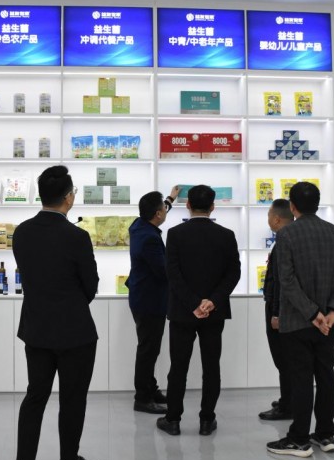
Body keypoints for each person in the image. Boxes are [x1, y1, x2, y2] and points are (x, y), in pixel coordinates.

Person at [11, 165, 105, 460]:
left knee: (35, 397)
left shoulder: (22, 232)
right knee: (73, 398)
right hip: (75, 331)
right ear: (68, 198)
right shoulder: (77, 237)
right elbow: (90, 286)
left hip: (36, 328)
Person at [266, 181, 334, 458]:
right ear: (317, 204)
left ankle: (299, 438)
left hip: (297, 321)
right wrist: (332, 312)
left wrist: (312, 314)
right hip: (328, 323)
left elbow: (287, 281)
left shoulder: (286, 235)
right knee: (326, 375)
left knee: (301, 377)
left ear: (292, 206)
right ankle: (325, 434)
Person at [156, 184, 241, 437]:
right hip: (214, 313)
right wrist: (211, 301)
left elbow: (173, 274)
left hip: (183, 312)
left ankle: (173, 419)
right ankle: (206, 420)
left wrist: (193, 303)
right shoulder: (226, 235)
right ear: (212, 207)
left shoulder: (175, 234)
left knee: (178, 367)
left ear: (188, 205)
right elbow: (233, 273)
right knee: (211, 367)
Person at [126, 186, 179, 415]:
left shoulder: (139, 225)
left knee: (149, 348)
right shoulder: (149, 239)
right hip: (150, 300)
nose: (165, 211)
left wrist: (170, 199)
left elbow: (160, 209)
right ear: (157, 214)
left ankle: (150, 387)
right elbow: (162, 271)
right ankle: (142, 397)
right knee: (148, 350)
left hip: (141, 296)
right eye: (163, 209)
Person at [258, 198, 294, 421]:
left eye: (269, 215)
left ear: (278, 219)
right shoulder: (290, 239)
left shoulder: (284, 242)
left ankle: (288, 405)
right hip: (285, 309)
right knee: (287, 360)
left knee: (283, 359)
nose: (268, 219)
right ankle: (288, 399)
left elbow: (282, 282)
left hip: (280, 311)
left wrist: (277, 313)